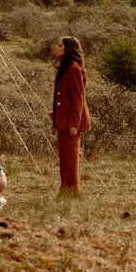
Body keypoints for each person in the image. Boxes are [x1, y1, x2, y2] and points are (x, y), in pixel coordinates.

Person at [50, 35, 91, 194]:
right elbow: (65, 98)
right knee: (64, 157)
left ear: (68, 50)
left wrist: (74, 123)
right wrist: (56, 113)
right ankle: (65, 189)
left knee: (70, 158)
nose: (57, 48)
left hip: (71, 123)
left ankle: (73, 191)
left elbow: (78, 99)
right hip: (64, 120)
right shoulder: (66, 68)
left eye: (60, 46)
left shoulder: (73, 69)